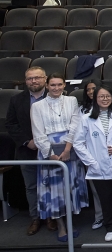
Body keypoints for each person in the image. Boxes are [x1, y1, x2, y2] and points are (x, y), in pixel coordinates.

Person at [30, 74, 89, 241]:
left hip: (70, 149)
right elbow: (38, 132)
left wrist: (68, 148)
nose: (56, 88)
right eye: (53, 85)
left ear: (64, 85)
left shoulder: (71, 101)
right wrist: (50, 154)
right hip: (48, 150)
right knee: (54, 191)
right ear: (47, 86)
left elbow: (75, 124)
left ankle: (70, 221)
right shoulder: (37, 106)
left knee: (69, 188)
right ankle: (61, 226)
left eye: (59, 85)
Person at [72, 84, 112, 242]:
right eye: (101, 96)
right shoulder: (86, 118)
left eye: (107, 96)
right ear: (95, 99)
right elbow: (78, 143)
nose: (105, 99)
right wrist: (91, 161)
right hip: (97, 164)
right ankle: (111, 226)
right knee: (105, 198)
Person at [5, 67, 52, 236]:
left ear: (45, 79)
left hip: (50, 150)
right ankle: (35, 217)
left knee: (51, 185)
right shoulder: (16, 100)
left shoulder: (55, 96)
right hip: (27, 150)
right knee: (31, 186)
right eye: (30, 78)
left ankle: (51, 216)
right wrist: (27, 141)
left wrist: (44, 142)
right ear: (25, 81)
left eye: (37, 78)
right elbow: (11, 124)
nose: (34, 81)